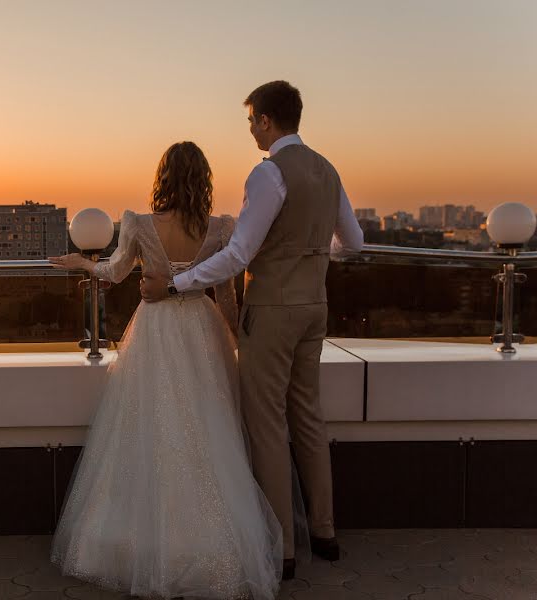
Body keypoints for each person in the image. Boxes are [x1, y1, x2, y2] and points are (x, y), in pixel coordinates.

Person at [140, 81, 364, 580]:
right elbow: (354, 242)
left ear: (266, 120)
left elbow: (239, 254)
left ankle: (281, 548)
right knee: (308, 414)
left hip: (274, 309)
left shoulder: (268, 174)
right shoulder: (327, 169)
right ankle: (324, 533)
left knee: (265, 423)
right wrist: (309, 255)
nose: (249, 130)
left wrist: (176, 285)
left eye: (250, 121)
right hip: (315, 306)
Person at [48, 141, 282, 600]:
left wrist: (81, 262)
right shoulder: (220, 229)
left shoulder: (138, 223)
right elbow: (227, 297)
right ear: (204, 180)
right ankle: (212, 540)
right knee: (207, 428)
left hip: (154, 329)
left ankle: (145, 542)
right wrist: (237, 345)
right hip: (201, 328)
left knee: (150, 426)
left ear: (163, 178)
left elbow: (115, 273)